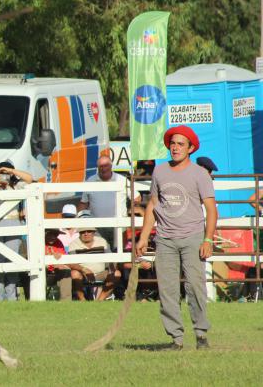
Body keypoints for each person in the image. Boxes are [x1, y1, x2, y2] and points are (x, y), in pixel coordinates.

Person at [136, 125, 217, 350]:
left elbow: (211, 209)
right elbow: (153, 205)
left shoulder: (200, 174)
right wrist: (143, 238)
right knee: (167, 290)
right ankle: (176, 339)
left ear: (191, 148)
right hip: (165, 239)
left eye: (181, 144)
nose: (175, 147)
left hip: (192, 238)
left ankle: (201, 335)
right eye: (172, 143)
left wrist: (207, 239)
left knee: (195, 287)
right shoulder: (159, 172)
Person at [0, 161, 33, 301]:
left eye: (5, 173)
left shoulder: (17, 185)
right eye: (0, 173)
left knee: (12, 261)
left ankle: (12, 297)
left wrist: (11, 171)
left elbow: (29, 179)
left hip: (14, 223)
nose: (3, 176)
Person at [79, 155, 132, 246]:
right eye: (101, 166)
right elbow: (83, 203)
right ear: (98, 167)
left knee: (119, 252)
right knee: (100, 252)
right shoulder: (90, 181)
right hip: (97, 226)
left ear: (111, 166)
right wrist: (77, 221)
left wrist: (130, 211)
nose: (103, 168)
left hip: (118, 224)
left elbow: (137, 198)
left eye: (106, 165)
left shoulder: (122, 180)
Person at [67, 226, 118, 301]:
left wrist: (112, 268)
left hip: (101, 272)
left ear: (94, 232)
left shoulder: (102, 241)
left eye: (89, 231)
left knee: (116, 273)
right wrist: (84, 270)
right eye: (83, 232)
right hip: (83, 273)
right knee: (74, 273)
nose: (86, 234)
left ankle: (100, 300)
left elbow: (110, 259)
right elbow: (71, 263)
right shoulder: (73, 244)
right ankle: (82, 299)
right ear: (79, 233)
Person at [44, 229, 73, 301]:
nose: (54, 237)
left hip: (56, 272)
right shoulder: (38, 242)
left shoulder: (58, 242)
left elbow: (62, 259)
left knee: (66, 270)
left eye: (56, 235)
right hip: (44, 272)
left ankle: (66, 302)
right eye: (51, 234)